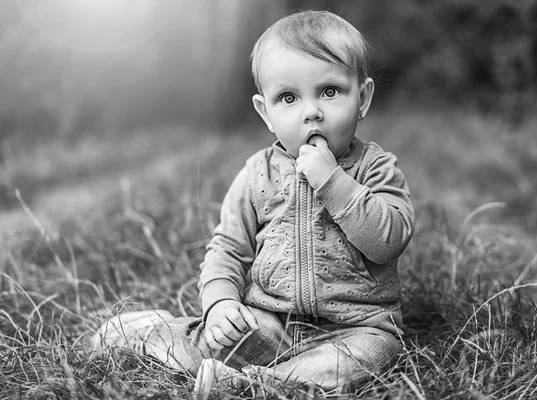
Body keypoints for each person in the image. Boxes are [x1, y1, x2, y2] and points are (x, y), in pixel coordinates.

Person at [91, 9, 414, 397]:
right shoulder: (257, 174)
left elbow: (389, 240)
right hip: (270, 322)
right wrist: (221, 303)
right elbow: (227, 249)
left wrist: (333, 182)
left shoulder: (376, 168)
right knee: (215, 340)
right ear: (266, 112)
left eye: (330, 91)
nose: (311, 111)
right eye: (288, 97)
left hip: (356, 327)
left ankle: (250, 387)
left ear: (362, 98)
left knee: (371, 355)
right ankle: (148, 333)